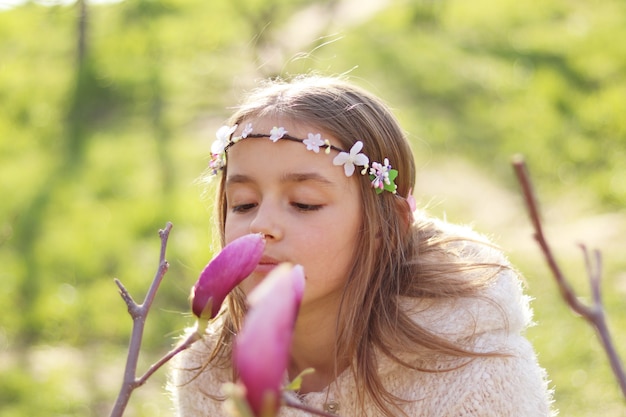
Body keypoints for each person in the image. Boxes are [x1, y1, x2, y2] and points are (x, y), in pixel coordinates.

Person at [169, 75, 555, 416]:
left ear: (386, 227)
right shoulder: (210, 374)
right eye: (244, 204)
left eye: (305, 203)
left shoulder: (477, 376)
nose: (261, 225)